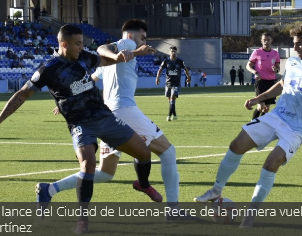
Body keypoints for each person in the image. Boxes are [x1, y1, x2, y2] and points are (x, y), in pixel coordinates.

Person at [0, 24, 160, 234]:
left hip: (105, 117)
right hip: (80, 124)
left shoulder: (83, 57)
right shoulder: (49, 69)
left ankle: (143, 184)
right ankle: (83, 220)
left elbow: (109, 59)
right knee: (88, 164)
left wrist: (134, 53)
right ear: (64, 44)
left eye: (83, 42)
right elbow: (21, 95)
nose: (82, 47)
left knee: (144, 153)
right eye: (78, 43)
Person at [193, 24, 302, 228]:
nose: (294, 48)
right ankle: (216, 190)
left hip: (296, 128)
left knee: (271, 163)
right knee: (237, 144)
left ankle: (249, 217)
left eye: (298, 44)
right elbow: (280, 86)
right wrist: (257, 99)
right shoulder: (294, 62)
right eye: (293, 44)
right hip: (277, 116)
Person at [46, 20, 199, 221]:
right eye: (142, 37)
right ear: (130, 36)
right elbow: (103, 48)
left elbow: (89, 80)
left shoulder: (108, 60)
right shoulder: (126, 44)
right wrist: (123, 51)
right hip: (124, 110)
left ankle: (50, 189)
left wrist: (66, 100)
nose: (144, 42)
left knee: (105, 172)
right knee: (168, 152)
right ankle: (174, 210)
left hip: (107, 116)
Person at [247, 32, 281, 120]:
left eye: (268, 40)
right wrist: (255, 72)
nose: (266, 42)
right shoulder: (257, 52)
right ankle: (252, 123)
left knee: (266, 108)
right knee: (261, 106)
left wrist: (276, 70)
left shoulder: (275, 53)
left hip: (271, 82)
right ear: (261, 41)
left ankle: (260, 124)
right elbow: (248, 66)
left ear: (271, 41)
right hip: (261, 82)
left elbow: (278, 68)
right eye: (264, 40)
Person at [156, 46, 191, 121]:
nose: (173, 52)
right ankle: (174, 115)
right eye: (172, 51)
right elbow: (160, 69)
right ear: (169, 52)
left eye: (174, 51)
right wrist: (157, 78)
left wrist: (188, 77)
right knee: (170, 100)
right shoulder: (166, 61)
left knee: (172, 97)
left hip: (176, 83)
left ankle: (169, 116)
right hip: (168, 83)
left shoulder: (180, 61)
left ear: (176, 52)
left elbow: (185, 69)